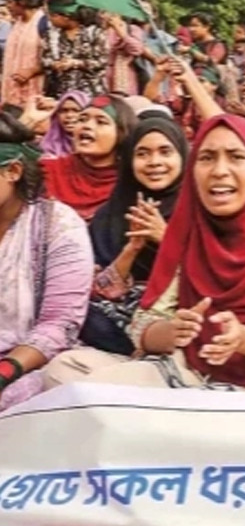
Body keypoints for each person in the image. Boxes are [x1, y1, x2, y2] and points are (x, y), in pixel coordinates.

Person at [44, 115, 245, 391]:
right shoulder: (187, 230)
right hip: (188, 374)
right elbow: (143, 323)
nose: (219, 170)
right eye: (206, 158)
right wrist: (170, 332)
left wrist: (244, 339)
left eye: (236, 157)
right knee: (63, 370)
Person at [0, 113, 93, 411]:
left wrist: (5, 372)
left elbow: (58, 326)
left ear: (13, 171)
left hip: (25, 367)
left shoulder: (58, 225)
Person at [83, 116, 188, 355]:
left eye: (165, 152)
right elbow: (98, 290)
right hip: (123, 316)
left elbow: (212, 275)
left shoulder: (200, 211)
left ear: (182, 156)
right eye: (142, 154)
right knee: (88, 315)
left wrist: (165, 238)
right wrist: (131, 249)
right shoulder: (109, 215)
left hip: (180, 312)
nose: (154, 162)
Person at [40, 95, 137, 222]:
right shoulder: (47, 170)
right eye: (82, 119)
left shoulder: (130, 184)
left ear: (121, 133)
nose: (87, 126)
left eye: (101, 122)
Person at [41, 0, 107, 98]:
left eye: (53, 16)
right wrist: (54, 64)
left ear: (66, 16)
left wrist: (77, 63)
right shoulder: (51, 35)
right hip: (60, 91)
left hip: (90, 91)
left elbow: (102, 61)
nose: (49, 19)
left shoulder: (93, 34)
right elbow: (44, 59)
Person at [2, 0, 46, 108]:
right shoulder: (17, 23)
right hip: (11, 90)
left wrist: (32, 70)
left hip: (34, 90)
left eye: (10, 2)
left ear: (21, 3)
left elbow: (54, 57)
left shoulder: (43, 24)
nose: (7, 6)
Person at [104, 12, 145, 96]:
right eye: (102, 12)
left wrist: (118, 29)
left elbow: (137, 49)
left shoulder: (132, 29)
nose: (104, 15)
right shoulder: (97, 31)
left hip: (125, 81)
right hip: (103, 81)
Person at [38, 91, 89, 157]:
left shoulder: (97, 147)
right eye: (64, 110)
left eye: (76, 110)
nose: (69, 115)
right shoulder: (45, 147)